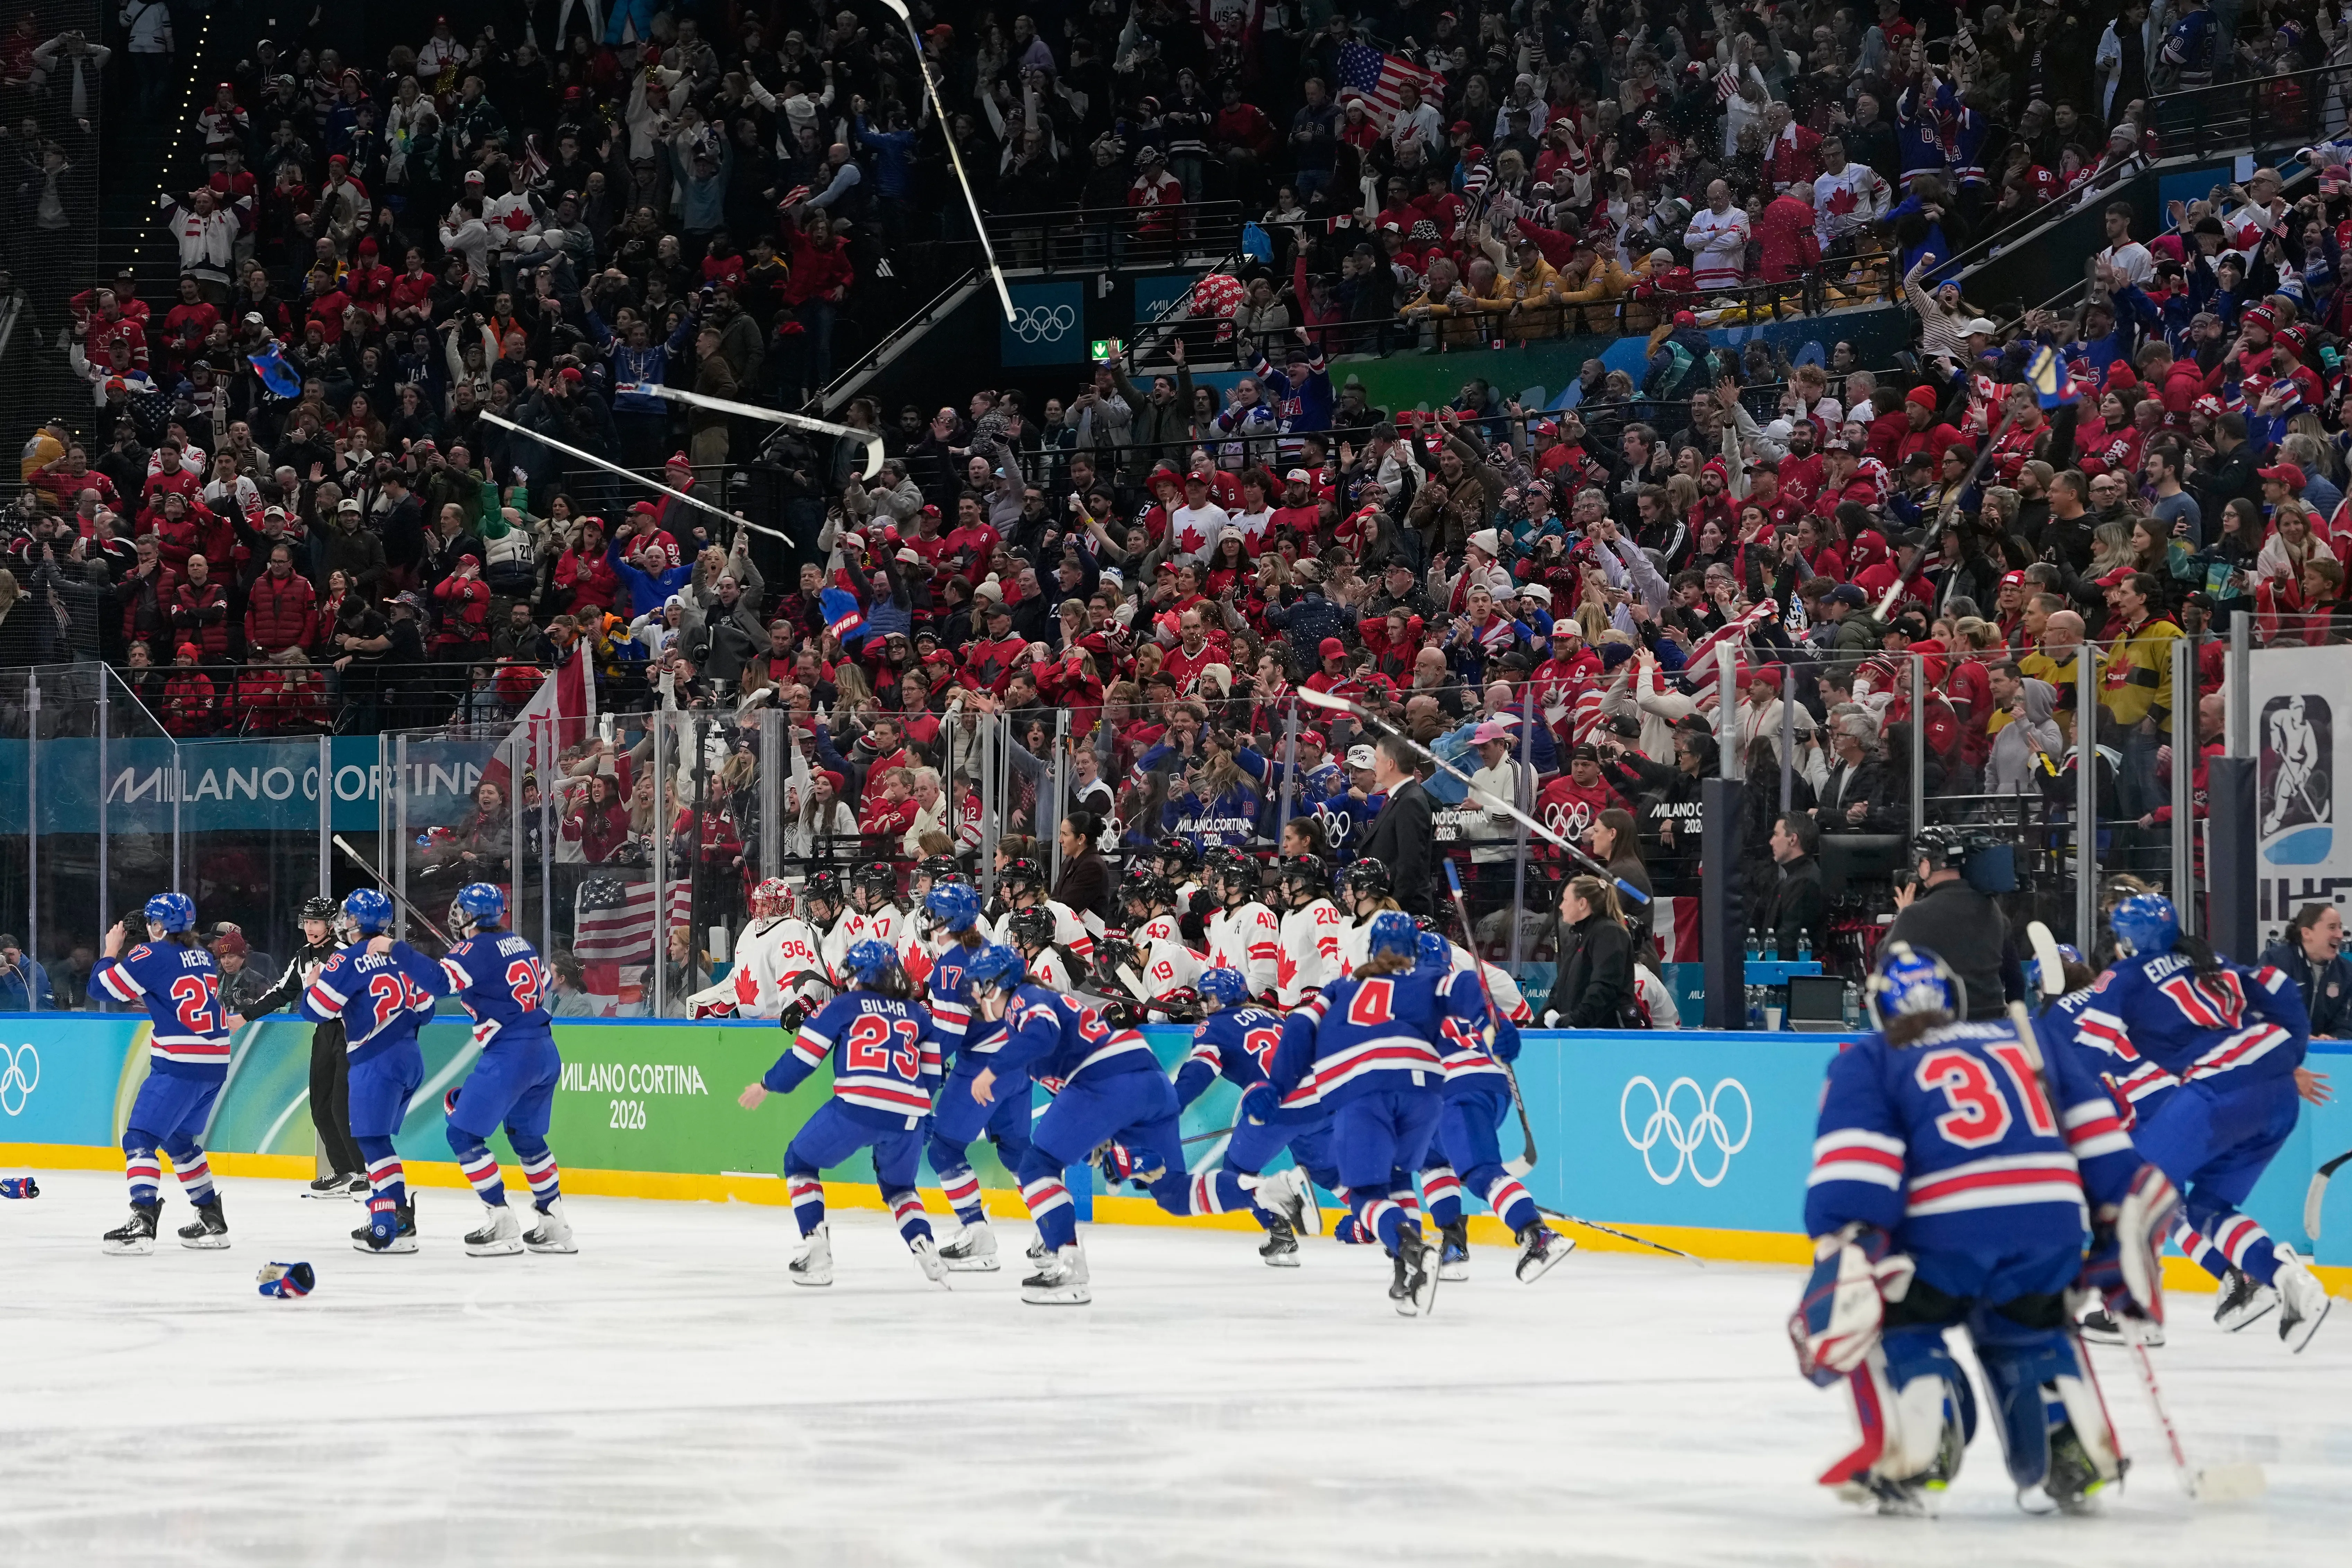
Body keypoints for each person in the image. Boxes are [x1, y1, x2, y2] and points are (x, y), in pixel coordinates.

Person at [1792, 942, 2168, 1515]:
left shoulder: (1873, 1057)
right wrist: (2120, 1217)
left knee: (1894, 1322)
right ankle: (2069, 1435)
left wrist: (1846, 1241)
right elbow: (2101, 1142)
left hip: (1946, 1234)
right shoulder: (2026, 1039)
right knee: (2032, 1327)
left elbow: (1858, 1174)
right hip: (2051, 1226)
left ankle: (1920, 1428)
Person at [2072, 895, 2333, 1350]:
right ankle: (2289, 1279)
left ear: (2127, 941)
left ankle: (2135, 1312)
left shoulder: (2123, 977)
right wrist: (2289, 1059)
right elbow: (2278, 985)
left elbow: (2086, 1054)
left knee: (2137, 1196)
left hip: (2214, 1096)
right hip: (2275, 1094)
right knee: (2205, 1209)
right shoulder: (2211, 960)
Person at [1264, 910, 1485, 1317]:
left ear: (1370, 949)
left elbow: (1298, 1025)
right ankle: (1409, 1271)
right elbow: (1471, 997)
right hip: (1425, 1095)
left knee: (1367, 1194)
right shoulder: (1429, 982)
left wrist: (1278, 1087)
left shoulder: (1344, 984)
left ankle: (1412, 1248)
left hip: (1365, 1091)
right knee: (1403, 1177)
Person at [961, 943, 1186, 1306]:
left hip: (1105, 1078)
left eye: (978, 985)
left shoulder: (1023, 1000)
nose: (974, 995)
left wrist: (992, 1069)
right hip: (1139, 1072)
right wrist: (1099, 1131)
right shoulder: (1035, 1000)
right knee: (1175, 1190)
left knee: (1036, 1166)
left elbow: (1042, 1036)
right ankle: (1269, 1190)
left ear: (995, 984)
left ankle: (1068, 1264)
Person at [737, 939, 948, 1289]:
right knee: (900, 1187)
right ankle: (925, 1248)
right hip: (908, 1114)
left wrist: (767, 1084)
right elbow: (932, 1073)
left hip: (857, 1106)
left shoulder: (844, 1004)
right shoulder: (916, 1012)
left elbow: (804, 1058)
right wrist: (922, 1117)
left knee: (799, 1162)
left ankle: (816, 1248)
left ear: (857, 975)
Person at [398, 883, 573, 1257]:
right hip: (544, 1049)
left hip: (510, 1054)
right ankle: (554, 1221)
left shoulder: (474, 949)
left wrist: (398, 950)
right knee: (528, 1140)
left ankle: (501, 1219)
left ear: (467, 914)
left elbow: (438, 982)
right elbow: (540, 986)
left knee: (462, 1134)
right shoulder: (521, 944)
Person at [1413, 932, 1572, 1284]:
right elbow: (1505, 1029)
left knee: (1481, 1172)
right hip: (1485, 1087)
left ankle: (1536, 1233)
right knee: (1432, 1158)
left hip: (1456, 1091)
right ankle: (1453, 1245)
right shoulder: (1468, 991)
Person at [91, 893, 241, 1253]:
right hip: (216, 1061)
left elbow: (101, 987)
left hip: (180, 1063)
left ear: (157, 926)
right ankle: (212, 1220)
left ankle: (142, 1221)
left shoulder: (150, 953)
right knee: (178, 1142)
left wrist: (112, 949)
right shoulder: (204, 956)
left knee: (140, 1138)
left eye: (150, 922)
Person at [299, 890, 436, 1253]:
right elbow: (428, 1008)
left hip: (375, 1061)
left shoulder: (347, 960)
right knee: (379, 1141)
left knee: (372, 1142)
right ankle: (399, 1214)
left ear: (355, 922)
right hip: (410, 1056)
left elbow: (316, 1010)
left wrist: (312, 983)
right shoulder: (402, 956)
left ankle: (387, 1222)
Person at [1168, 966, 1333, 1266]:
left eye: (1208, 997)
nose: (1204, 1003)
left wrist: (1169, 1108)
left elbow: (1197, 1075)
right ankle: (1391, 1227)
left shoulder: (1213, 1027)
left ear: (1219, 999)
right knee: (1328, 1173)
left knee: (1238, 1171)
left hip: (1275, 1109)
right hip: (1319, 1102)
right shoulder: (1273, 1015)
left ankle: (1280, 1233)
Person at [920, 884, 1034, 1271]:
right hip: (1018, 1065)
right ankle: (1053, 1232)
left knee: (943, 1150)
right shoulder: (991, 949)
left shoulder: (951, 966)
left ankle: (978, 1235)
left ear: (946, 921)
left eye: (934, 912)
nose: (929, 919)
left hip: (982, 1071)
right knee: (1018, 1152)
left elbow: (948, 1035)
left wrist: (923, 1081)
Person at [243, 895, 362, 1197]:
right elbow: (281, 993)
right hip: (324, 1033)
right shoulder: (303, 957)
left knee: (342, 1106)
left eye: (316, 922)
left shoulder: (347, 953)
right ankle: (344, 1172)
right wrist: (243, 1017)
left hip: (352, 1032)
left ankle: (366, 1171)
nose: (310, 927)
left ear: (331, 924)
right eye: (307, 922)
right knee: (320, 1107)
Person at [1880, 827, 2011, 1020]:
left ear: (1926, 866)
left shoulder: (1915, 914)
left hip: (1949, 1026)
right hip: (1994, 1020)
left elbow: (1886, 958)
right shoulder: (1992, 909)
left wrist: (1902, 915)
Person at [684, 877, 831, 1022]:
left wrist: (789, 1013)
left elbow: (794, 976)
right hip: (749, 1024)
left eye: (765, 904)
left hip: (780, 1025)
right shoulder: (751, 928)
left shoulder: (792, 929)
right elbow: (742, 974)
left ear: (782, 905)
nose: (759, 910)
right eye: (758, 904)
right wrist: (717, 998)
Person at [1356, 732, 1436, 913]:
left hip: (1403, 910)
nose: (1375, 766)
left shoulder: (1410, 801)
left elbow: (1410, 864)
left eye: (1377, 760)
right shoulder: (1399, 797)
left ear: (1390, 764)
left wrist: (1392, 907)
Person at [1553, 876, 1639, 1029]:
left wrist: (1578, 1019)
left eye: (1565, 900)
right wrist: (1536, 1027)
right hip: (1580, 1030)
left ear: (1582, 903)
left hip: (1606, 1035)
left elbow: (1604, 987)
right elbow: (1558, 991)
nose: (1561, 906)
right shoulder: (1578, 936)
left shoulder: (1609, 933)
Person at [2260, 903, 2352, 1039]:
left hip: (2326, 1055)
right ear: (2307, 933)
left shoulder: (2347, 972)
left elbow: (2346, 1024)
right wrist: (2299, 1037)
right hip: (2281, 1050)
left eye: (2340, 927)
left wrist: (2335, 1039)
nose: (2340, 935)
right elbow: (2261, 1012)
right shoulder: (2275, 961)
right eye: (2332, 927)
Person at [1202, 847, 1281, 1001]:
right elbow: (1211, 965)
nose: (1215, 885)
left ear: (1235, 885)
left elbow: (1265, 974)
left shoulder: (1260, 915)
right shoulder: (1219, 919)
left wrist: (1243, 1002)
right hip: (1220, 1006)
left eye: (1219, 880)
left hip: (1246, 1008)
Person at [1272, 854, 1344, 1005]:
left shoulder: (1323, 911)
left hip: (1310, 1011)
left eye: (1286, 880)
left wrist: (1319, 999)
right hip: (1287, 1010)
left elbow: (1336, 966)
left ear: (1299, 884)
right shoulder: (1289, 915)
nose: (1282, 886)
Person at [1764, 814, 1826, 959]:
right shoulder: (1793, 878)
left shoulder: (1805, 881)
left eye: (1776, 835)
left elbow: (1790, 940)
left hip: (1789, 975)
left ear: (1793, 839)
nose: (1771, 842)